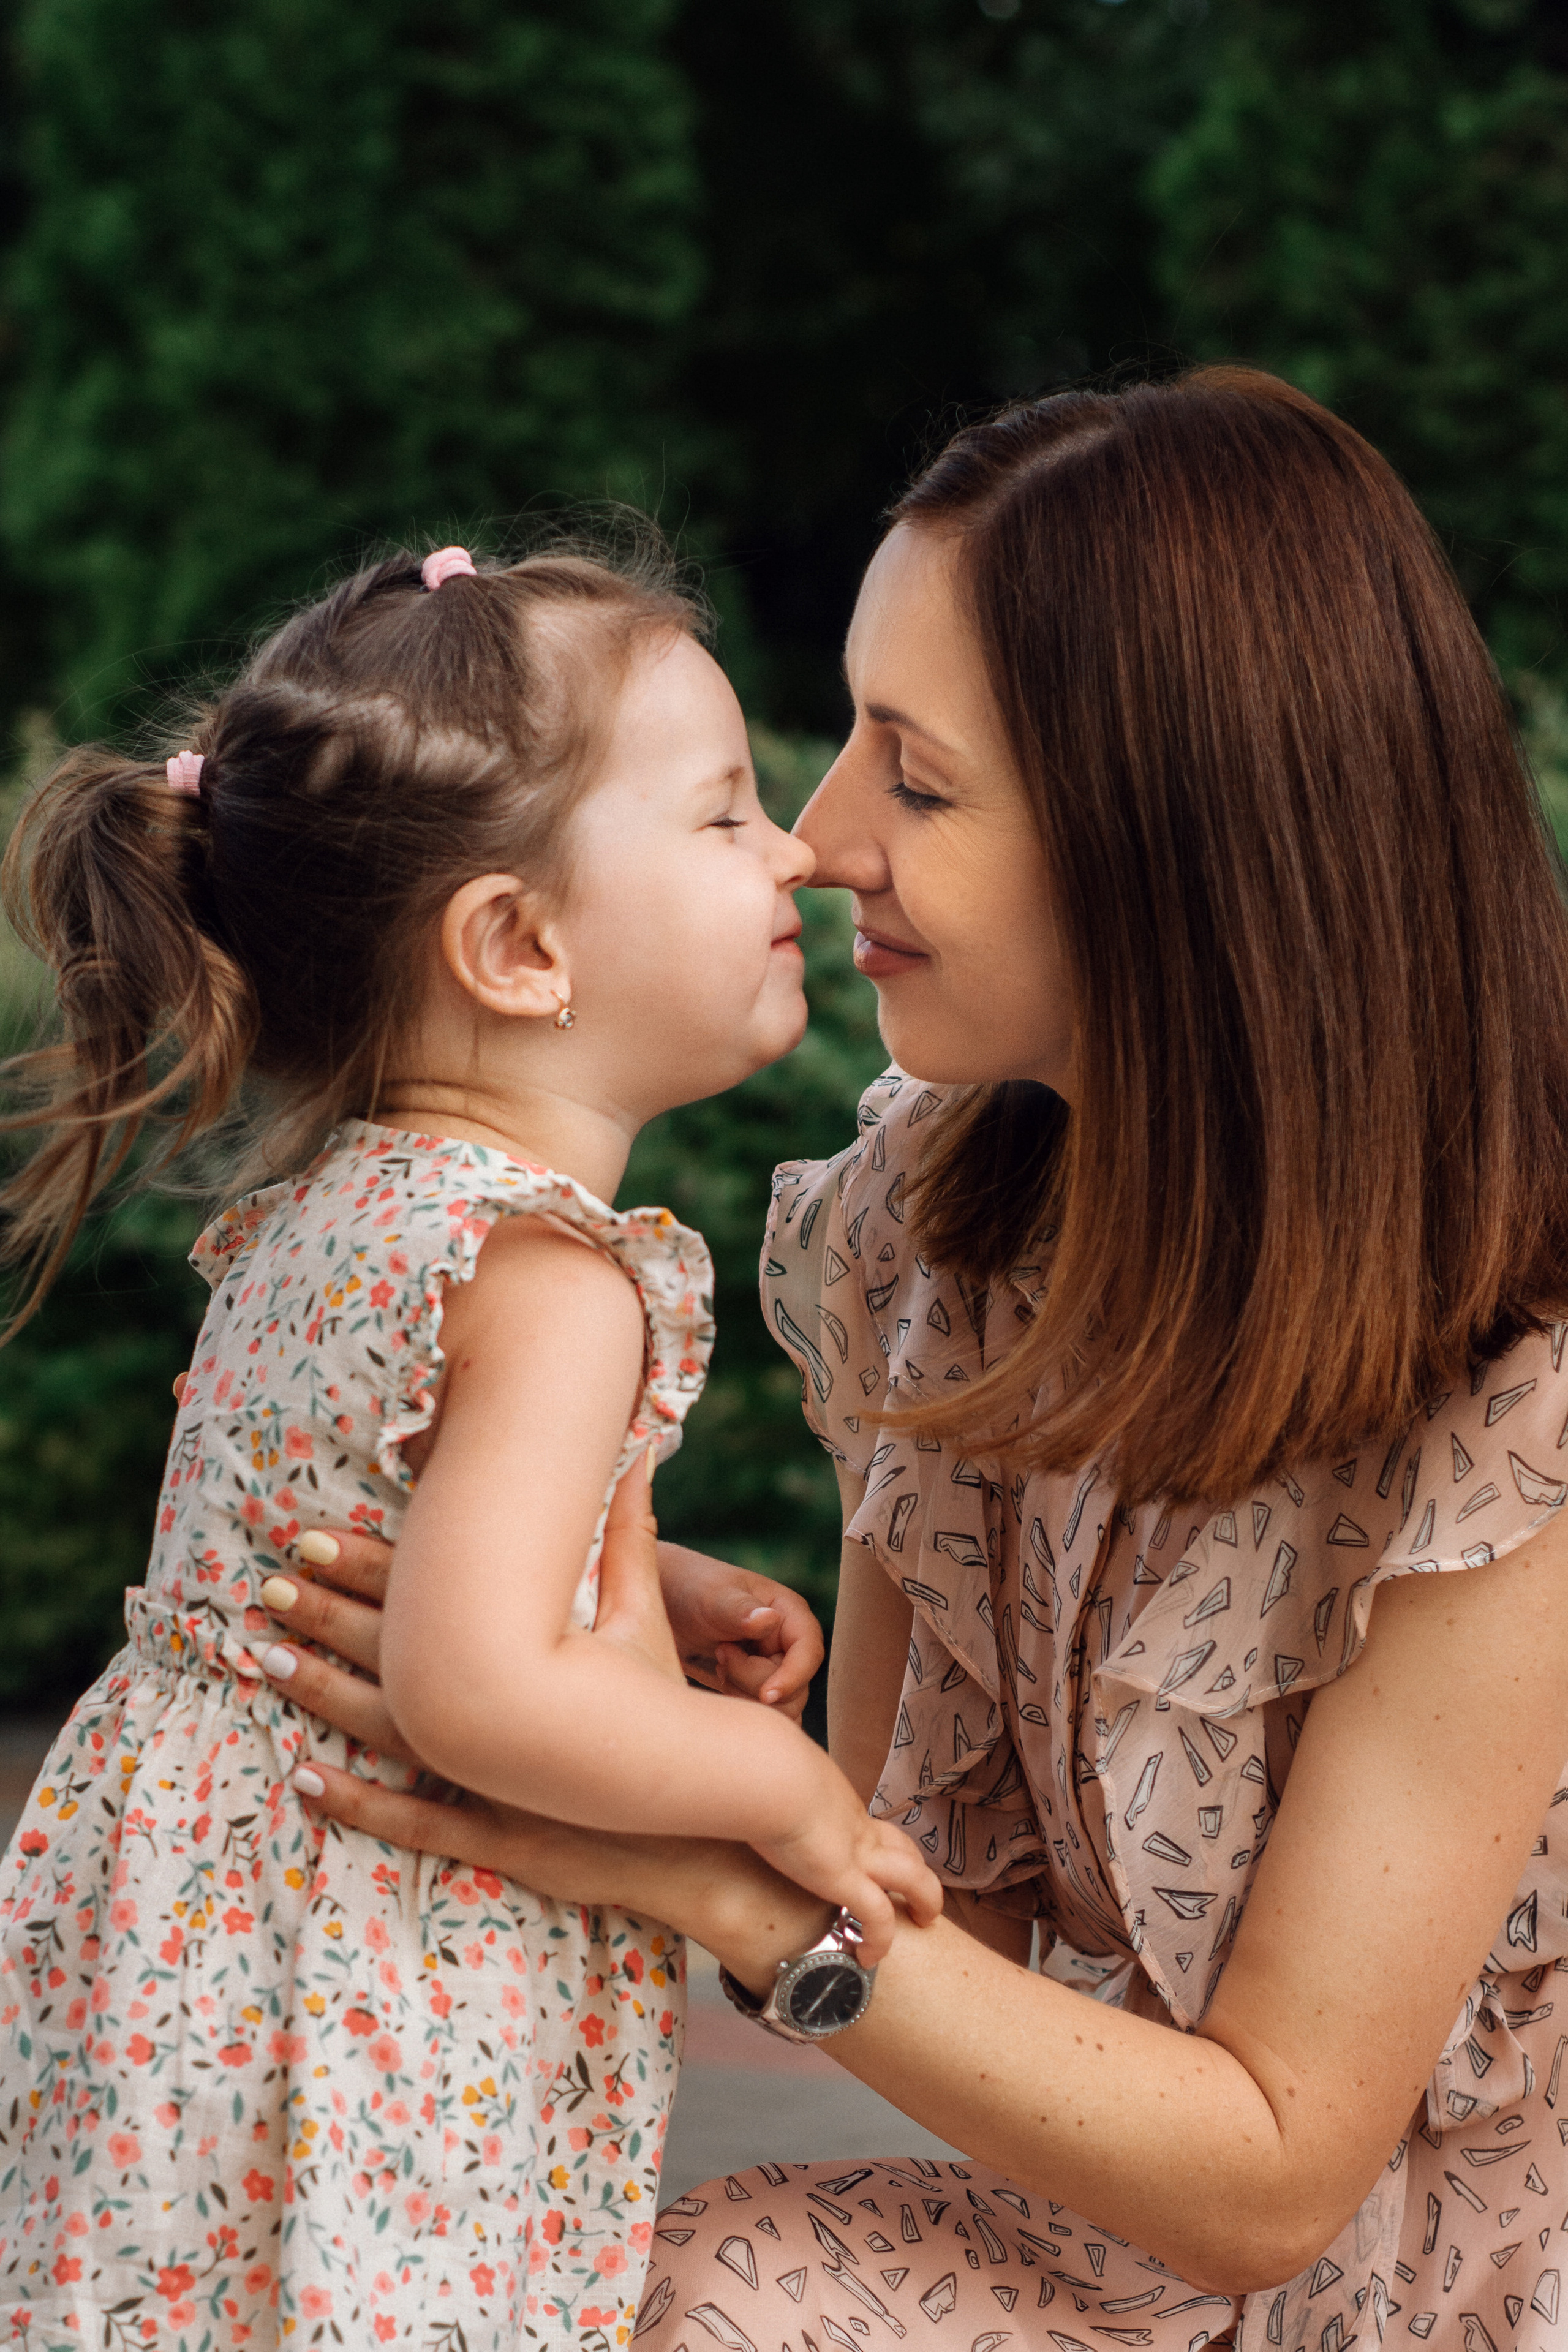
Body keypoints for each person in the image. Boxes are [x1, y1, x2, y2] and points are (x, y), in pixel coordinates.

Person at [260, 371, 1568, 2352]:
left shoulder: (1523, 1402)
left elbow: (1269, 2176)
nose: (814, 838)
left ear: (1186, 848)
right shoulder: (934, 1233)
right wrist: (590, 1648)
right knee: (646, 2294)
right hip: (1136, 2262)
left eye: (919, 778)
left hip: (1429, 2294)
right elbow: (902, 1889)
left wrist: (720, 1859)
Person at [0, 538, 941, 2352]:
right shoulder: (550, 1278)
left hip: (194, 1942)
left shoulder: (335, 1209)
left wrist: (636, 1575)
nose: (798, 853)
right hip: (378, 1961)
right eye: (726, 815)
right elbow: (477, 1697)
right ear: (519, 946)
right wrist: (786, 1796)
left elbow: (358, 1529)